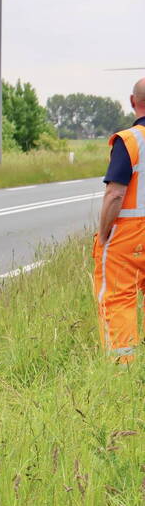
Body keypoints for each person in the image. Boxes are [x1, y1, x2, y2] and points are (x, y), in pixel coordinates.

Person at [93, 77, 145, 364]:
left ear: (132, 101)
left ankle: (122, 368)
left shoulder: (130, 140)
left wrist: (104, 234)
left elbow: (115, 193)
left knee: (118, 298)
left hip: (129, 236)